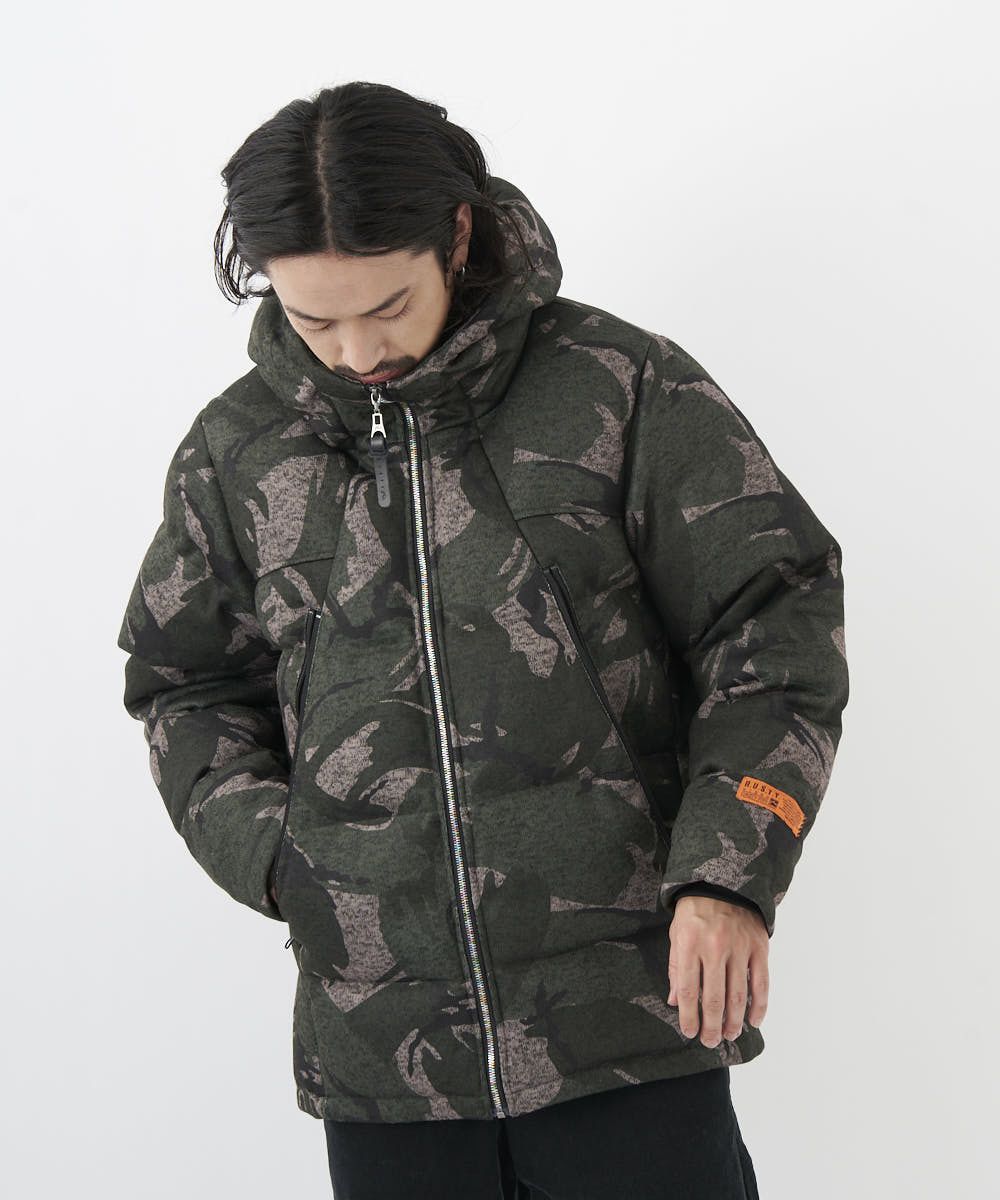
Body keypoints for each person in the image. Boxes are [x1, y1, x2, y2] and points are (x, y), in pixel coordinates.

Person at [117, 80, 849, 1198]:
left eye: (388, 306)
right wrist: (288, 860)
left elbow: (774, 620)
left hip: (627, 1021)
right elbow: (186, 685)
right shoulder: (236, 454)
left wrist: (731, 872)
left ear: (456, 236)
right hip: (384, 1051)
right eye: (315, 321)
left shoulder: (619, 386)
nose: (356, 351)